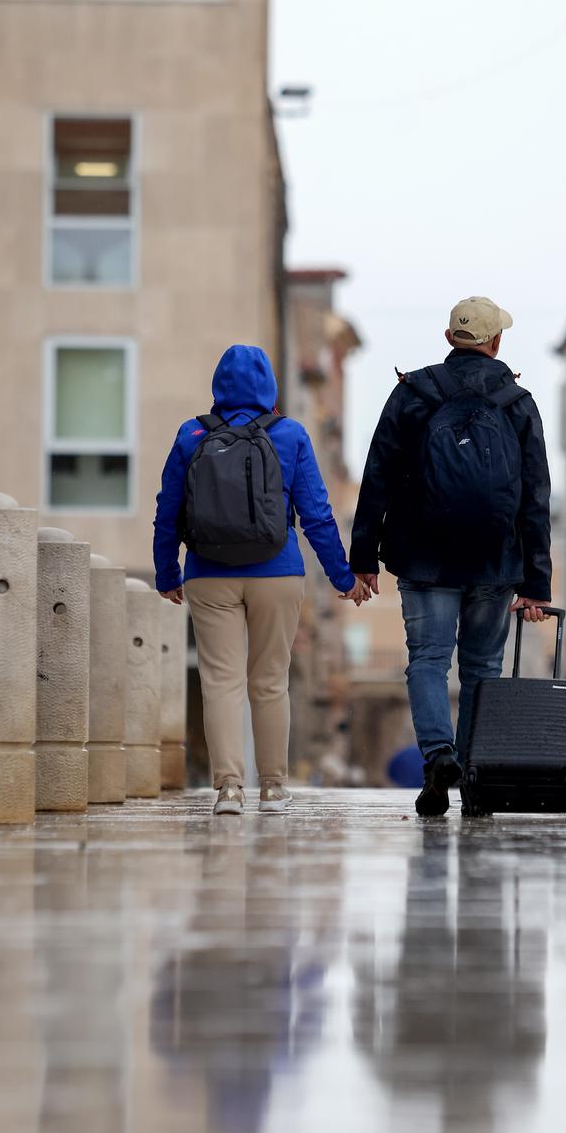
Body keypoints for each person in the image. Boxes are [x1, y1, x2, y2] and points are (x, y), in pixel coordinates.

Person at [350, 296, 552, 817]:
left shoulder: (412, 395)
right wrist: (537, 581)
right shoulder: (516, 401)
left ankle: (440, 756)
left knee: (429, 661)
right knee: (481, 667)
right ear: (496, 342)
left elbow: (378, 477)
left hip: (424, 557)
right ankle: (475, 778)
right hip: (495, 558)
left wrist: (364, 557)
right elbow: (535, 496)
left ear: (449, 339)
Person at [153, 345, 367, 818]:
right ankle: (272, 787)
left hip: (208, 574)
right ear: (269, 386)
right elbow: (316, 516)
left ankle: (229, 789)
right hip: (277, 573)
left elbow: (167, 512)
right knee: (269, 681)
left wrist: (167, 573)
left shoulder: (191, 435)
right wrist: (343, 577)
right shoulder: (289, 434)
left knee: (220, 682)